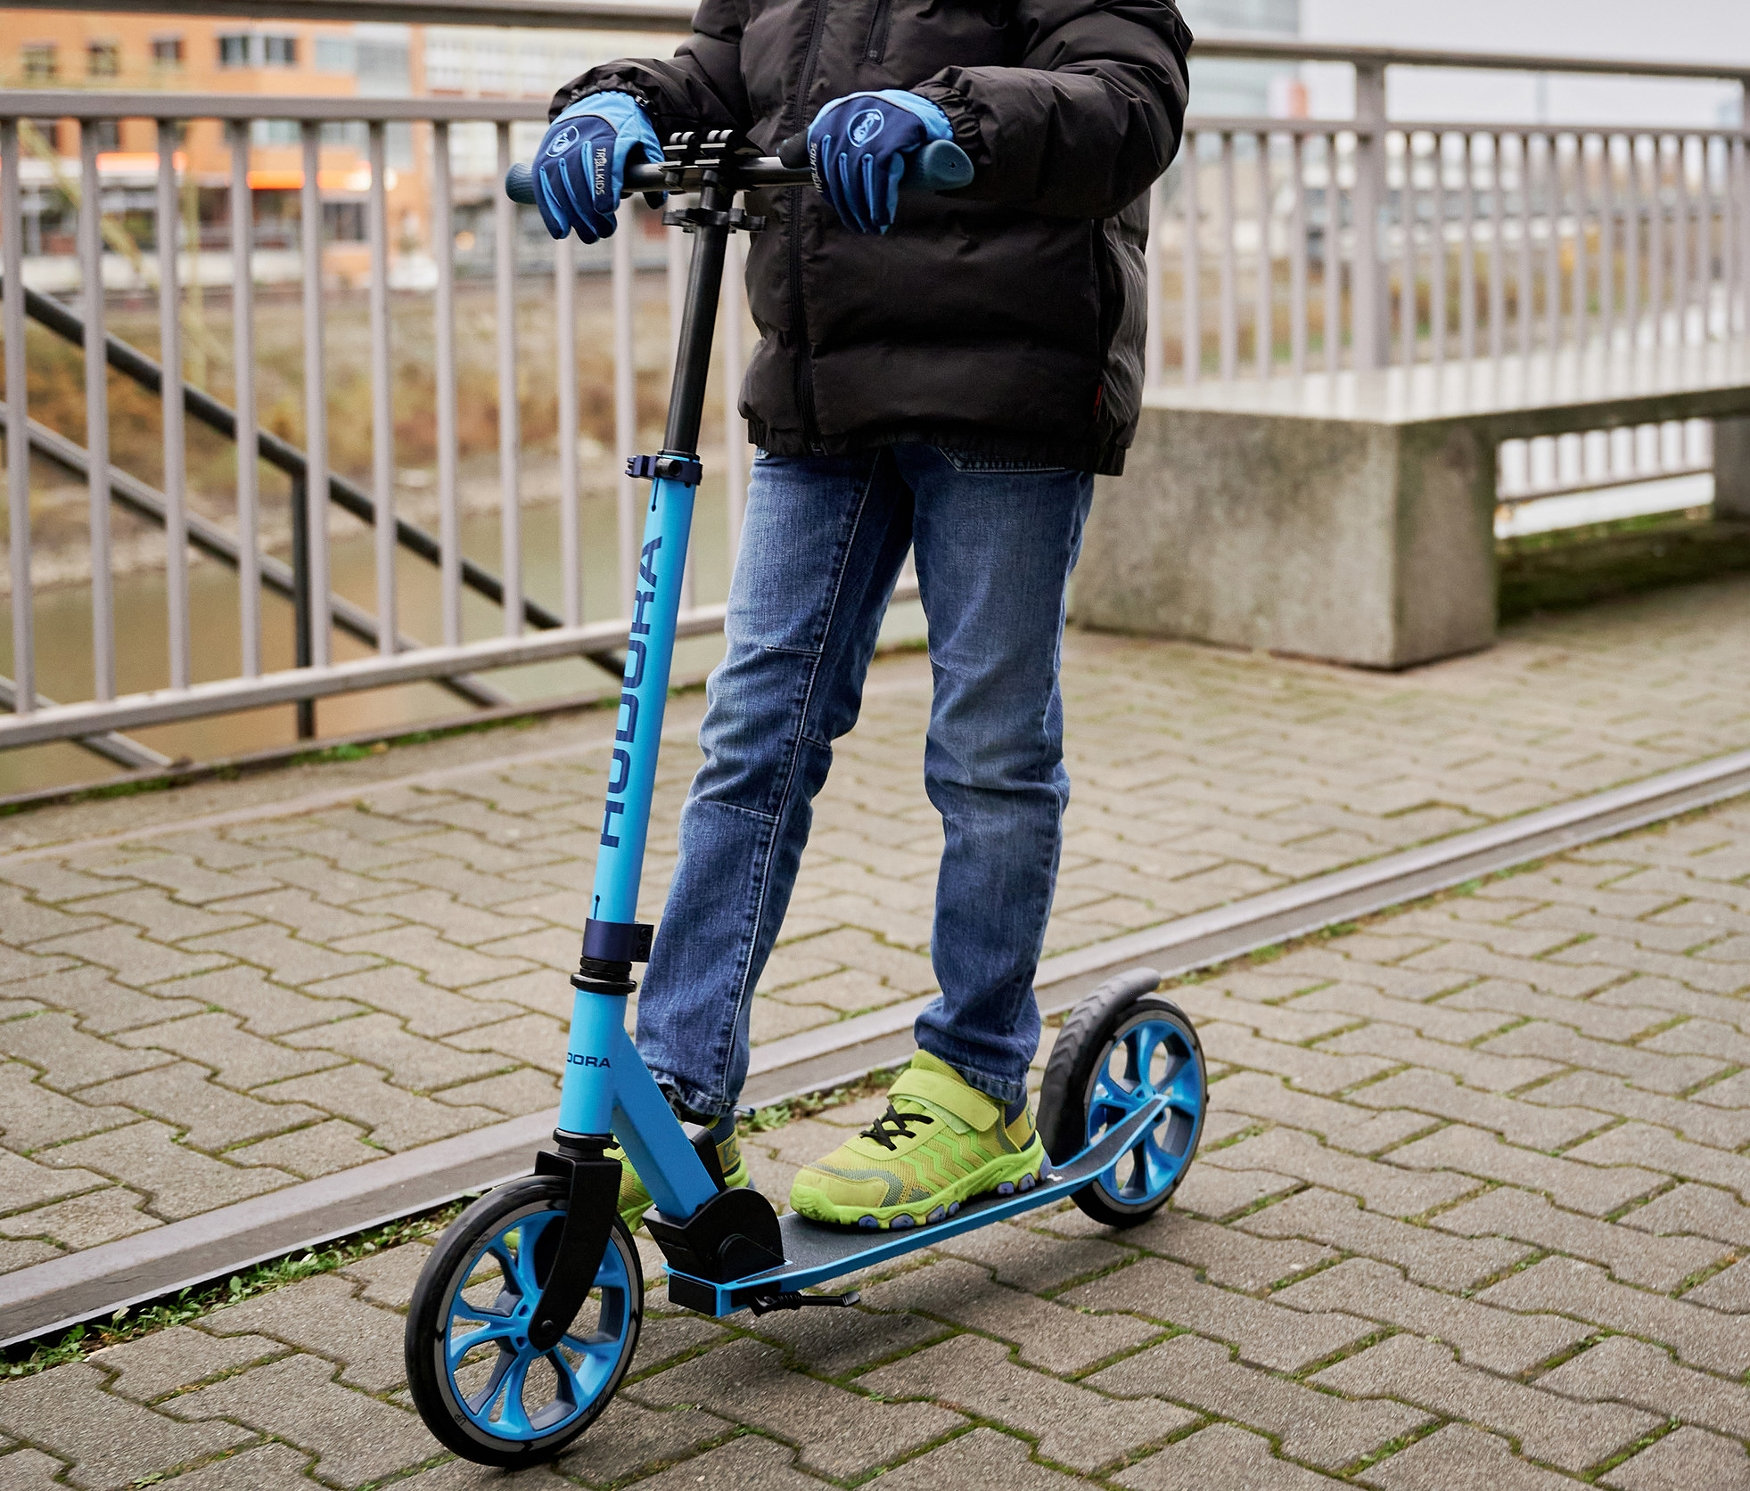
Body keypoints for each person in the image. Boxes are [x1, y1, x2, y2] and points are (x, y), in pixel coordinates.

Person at [535, 0, 1192, 1232]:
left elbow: (1129, 94)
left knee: (988, 748)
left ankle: (979, 1077)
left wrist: (951, 112)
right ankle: (678, 1082)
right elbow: (732, 71)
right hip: (822, 384)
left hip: (1010, 372)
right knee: (752, 736)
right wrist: (620, 100)